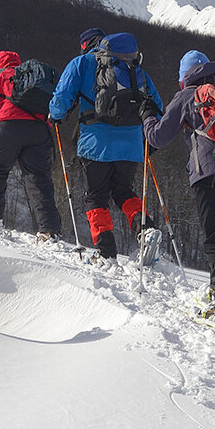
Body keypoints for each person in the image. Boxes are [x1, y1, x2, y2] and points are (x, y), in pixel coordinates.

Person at [144, 49, 215, 316]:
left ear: (184, 75)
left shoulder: (186, 96)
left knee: (214, 234)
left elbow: (158, 137)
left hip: (209, 170)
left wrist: (146, 117)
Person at [47, 30, 164, 260]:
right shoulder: (134, 68)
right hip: (131, 146)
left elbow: (61, 100)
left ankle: (106, 251)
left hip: (95, 144)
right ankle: (146, 229)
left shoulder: (81, 63)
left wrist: (54, 116)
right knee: (123, 191)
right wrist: (149, 140)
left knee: (96, 197)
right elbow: (157, 106)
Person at [0, 49, 63, 237]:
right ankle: (49, 229)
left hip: (7, 128)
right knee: (39, 178)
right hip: (39, 129)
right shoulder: (31, 76)